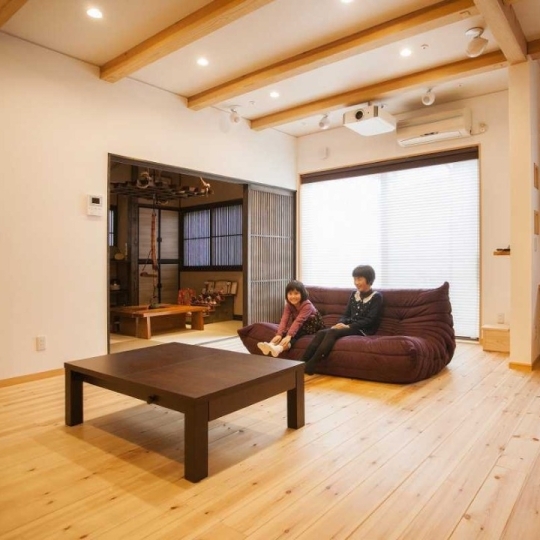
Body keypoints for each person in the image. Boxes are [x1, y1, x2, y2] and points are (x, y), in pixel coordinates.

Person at [302, 265, 383, 375]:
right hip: (349, 326)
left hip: (364, 329)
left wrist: (349, 326)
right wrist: (340, 323)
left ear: (369, 279)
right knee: (321, 333)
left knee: (332, 332)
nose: (356, 282)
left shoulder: (376, 297)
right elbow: (346, 314)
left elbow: (370, 320)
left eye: (359, 279)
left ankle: (312, 364)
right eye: (355, 279)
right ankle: (300, 364)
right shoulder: (354, 294)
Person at [258, 280, 324, 358]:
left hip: (312, 325)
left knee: (294, 334)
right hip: (300, 323)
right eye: (290, 293)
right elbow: (284, 319)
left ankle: (279, 348)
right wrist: (279, 334)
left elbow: (299, 321)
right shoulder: (289, 305)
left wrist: (289, 335)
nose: (293, 296)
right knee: (285, 332)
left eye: (296, 293)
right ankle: (271, 345)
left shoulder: (307, 305)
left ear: (302, 294)